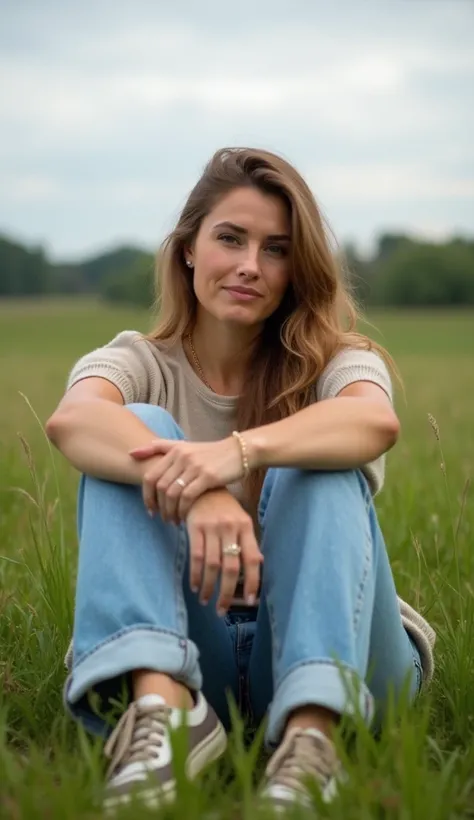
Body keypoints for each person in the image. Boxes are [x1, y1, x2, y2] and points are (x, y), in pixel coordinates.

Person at [47, 147, 436, 813]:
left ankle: (316, 743)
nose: (251, 266)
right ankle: (166, 718)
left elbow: (373, 424)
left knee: (312, 448)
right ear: (189, 249)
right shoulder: (136, 360)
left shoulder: (339, 361)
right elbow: (74, 421)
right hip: (197, 649)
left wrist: (237, 454)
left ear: (296, 268)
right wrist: (197, 489)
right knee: (132, 426)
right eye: (230, 238)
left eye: (277, 249)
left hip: (346, 648)